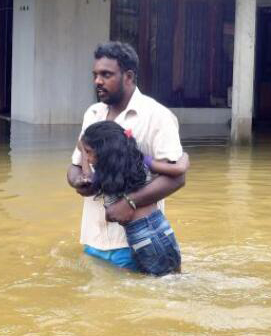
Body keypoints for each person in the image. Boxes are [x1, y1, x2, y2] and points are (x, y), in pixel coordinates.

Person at [66, 42, 188, 271]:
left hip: (135, 243)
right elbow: (74, 165)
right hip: (93, 239)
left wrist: (130, 202)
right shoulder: (93, 114)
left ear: (128, 76)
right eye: (95, 75)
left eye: (106, 75)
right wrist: (79, 182)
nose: (97, 81)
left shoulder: (157, 116)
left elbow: (177, 177)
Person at [79, 120, 186, 275]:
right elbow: (178, 169)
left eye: (89, 152)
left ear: (103, 152)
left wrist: (81, 152)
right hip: (163, 227)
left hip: (140, 235)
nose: (87, 158)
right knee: (174, 278)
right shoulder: (142, 161)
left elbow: (87, 178)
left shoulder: (104, 176)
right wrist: (185, 157)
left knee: (158, 285)